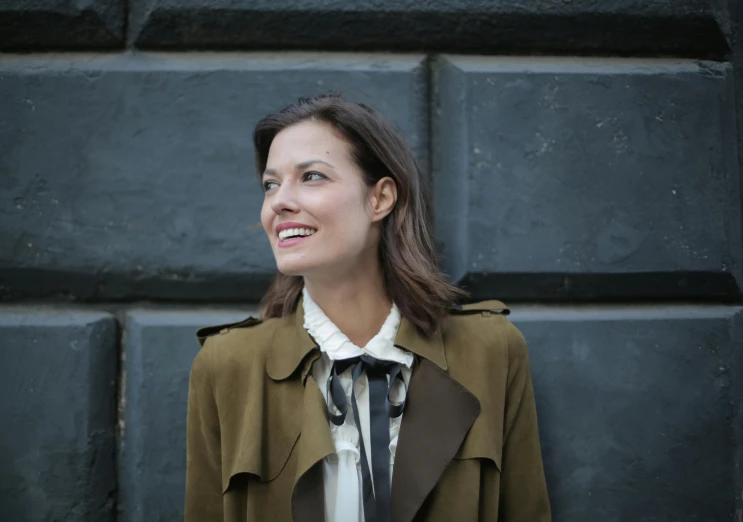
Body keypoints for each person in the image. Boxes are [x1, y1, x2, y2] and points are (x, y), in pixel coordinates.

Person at [184, 93, 551, 522]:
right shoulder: (226, 365)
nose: (278, 202)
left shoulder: (491, 350)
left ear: (380, 199)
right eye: (270, 184)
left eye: (312, 176)